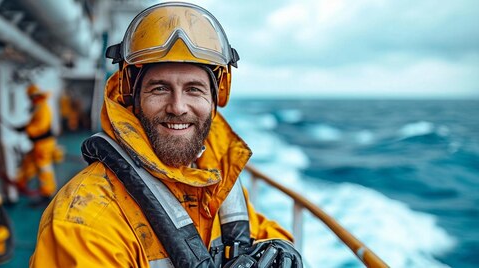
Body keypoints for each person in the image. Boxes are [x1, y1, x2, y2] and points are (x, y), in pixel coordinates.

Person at [30, 2, 301, 267]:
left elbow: (258, 229)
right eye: (159, 89)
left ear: (216, 97)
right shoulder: (84, 222)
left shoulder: (213, 180)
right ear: (131, 97)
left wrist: (280, 246)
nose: (178, 107)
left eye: (194, 89)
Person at [14, 83, 57, 203]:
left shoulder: (42, 107)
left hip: (43, 144)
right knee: (28, 162)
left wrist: (26, 130)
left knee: (44, 167)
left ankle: (47, 193)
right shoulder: (39, 106)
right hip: (39, 144)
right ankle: (20, 184)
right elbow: (35, 123)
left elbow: (40, 127)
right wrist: (24, 127)